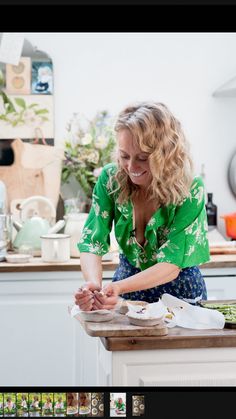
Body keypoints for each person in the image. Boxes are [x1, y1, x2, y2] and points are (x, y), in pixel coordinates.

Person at [75, 102, 210, 311]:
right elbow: (92, 241)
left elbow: (172, 264)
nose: (131, 167)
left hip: (179, 296)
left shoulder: (190, 188)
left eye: (142, 158)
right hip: (125, 293)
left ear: (166, 153)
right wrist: (94, 286)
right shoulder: (111, 179)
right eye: (124, 156)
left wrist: (118, 287)